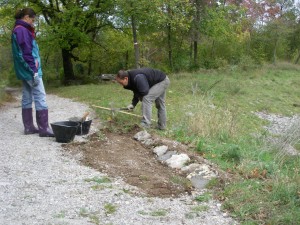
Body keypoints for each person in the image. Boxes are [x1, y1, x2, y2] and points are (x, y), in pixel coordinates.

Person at [11, 8, 54, 137]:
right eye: (32, 19)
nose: (33, 23)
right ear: (26, 17)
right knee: (40, 96)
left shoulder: (18, 29)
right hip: (30, 70)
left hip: (24, 71)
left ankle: (29, 127)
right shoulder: (22, 30)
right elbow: (26, 53)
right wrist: (34, 70)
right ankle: (44, 129)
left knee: (27, 97)